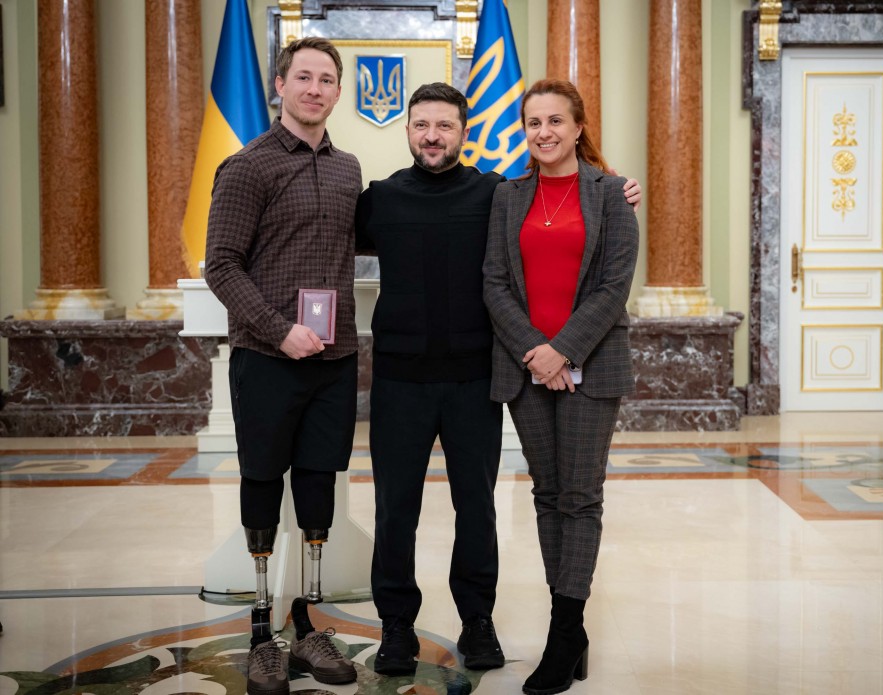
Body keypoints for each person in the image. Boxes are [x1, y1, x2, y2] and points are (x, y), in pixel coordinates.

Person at [354, 82, 641, 677]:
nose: (432, 136)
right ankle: (396, 626)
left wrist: (619, 187)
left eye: (445, 125)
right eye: (421, 125)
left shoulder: (493, 192)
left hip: (474, 377)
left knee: (477, 508)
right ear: (407, 131)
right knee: (395, 508)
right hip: (401, 380)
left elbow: (572, 215)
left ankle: (477, 620)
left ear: (465, 132)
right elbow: (317, 235)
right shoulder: (379, 199)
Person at [205, 37, 361, 695]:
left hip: (335, 359)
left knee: (319, 487)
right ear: (280, 85)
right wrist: (278, 330)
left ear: (337, 91)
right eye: (304, 77)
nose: (315, 88)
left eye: (326, 79)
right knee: (263, 482)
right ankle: (261, 633)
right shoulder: (248, 167)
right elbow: (221, 266)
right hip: (267, 358)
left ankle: (308, 624)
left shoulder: (349, 168)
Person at [482, 79, 640, 695]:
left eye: (555, 120)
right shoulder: (508, 195)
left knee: (580, 497)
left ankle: (564, 630)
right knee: (547, 495)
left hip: (590, 368)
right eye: (533, 122)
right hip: (525, 367)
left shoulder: (611, 194)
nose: (543, 132)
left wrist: (563, 350)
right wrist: (536, 352)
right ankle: (568, 629)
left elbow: (614, 287)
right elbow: (495, 282)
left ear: (577, 128)